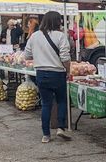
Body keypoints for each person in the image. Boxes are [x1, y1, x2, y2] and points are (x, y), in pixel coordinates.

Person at [24, 11, 71, 144]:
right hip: (57, 73)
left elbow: (27, 55)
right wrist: (68, 70)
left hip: (41, 73)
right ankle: (61, 127)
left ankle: (46, 134)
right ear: (58, 22)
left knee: (46, 104)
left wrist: (41, 55)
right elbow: (65, 57)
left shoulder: (34, 36)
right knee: (61, 100)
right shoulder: (61, 36)